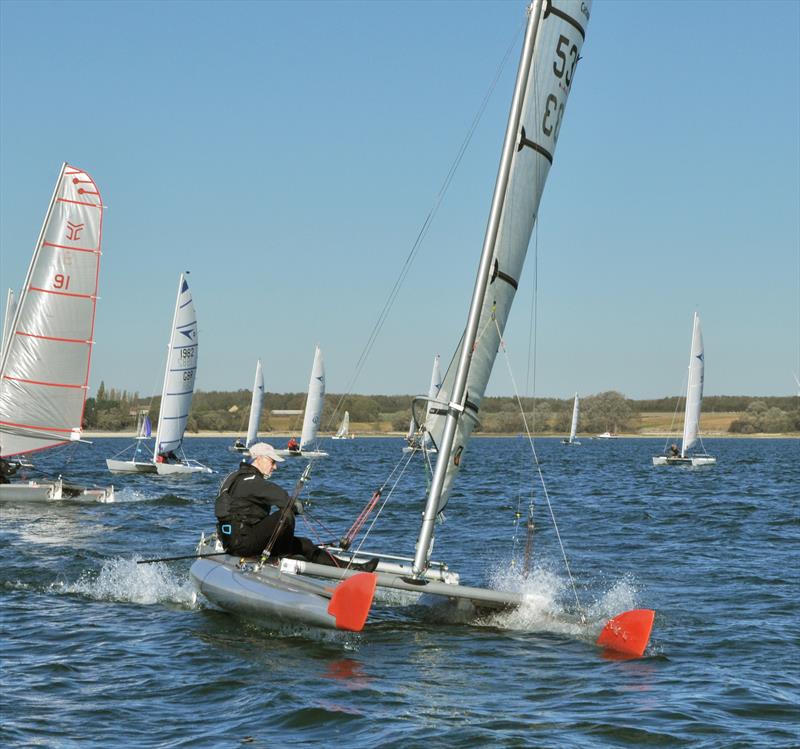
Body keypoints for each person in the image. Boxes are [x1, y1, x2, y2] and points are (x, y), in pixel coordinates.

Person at [215, 442, 378, 571]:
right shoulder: (252, 482)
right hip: (243, 543)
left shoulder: (236, 478)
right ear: (259, 459)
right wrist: (295, 506)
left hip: (234, 541)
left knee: (305, 544)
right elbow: (285, 501)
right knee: (284, 515)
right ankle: (282, 557)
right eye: (272, 462)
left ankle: (353, 569)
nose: (275, 467)